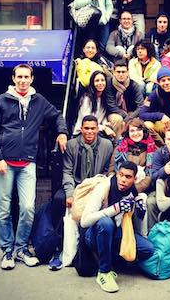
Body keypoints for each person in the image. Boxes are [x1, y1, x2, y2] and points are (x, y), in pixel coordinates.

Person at [0, 63, 68, 270]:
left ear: (32, 79)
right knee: (4, 210)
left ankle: (21, 249)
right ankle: (7, 251)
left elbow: (57, 115)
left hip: (27, 162)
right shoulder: (1, 100)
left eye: (26, 77)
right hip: (4, 162)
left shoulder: (38, 101)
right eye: (19, 77)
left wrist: (62, 132)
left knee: (28, 208)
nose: (22, 80)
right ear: (13, 78)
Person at [49, 115, 113, 271]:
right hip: (76, 185)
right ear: (81, 129)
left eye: (93, 128)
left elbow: (107, 171)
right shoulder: (72, 145)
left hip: (96, 186)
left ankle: (89, 253)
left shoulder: (107, 145)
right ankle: (57, 250)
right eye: (86, 128)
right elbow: (67, 172)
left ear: (98, 129)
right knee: (58, 199)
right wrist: (70, 193)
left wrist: (100, 189)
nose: (89, 132)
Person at [81, 161, 154, 293]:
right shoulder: (104, 187)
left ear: (135, 179)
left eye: (128, 177)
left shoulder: (134, 193)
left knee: (148, 249)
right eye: (121, 175)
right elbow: (84, 221)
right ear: (117, 174)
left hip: (118, 233)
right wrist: (115, 208)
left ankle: (114, 260)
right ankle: (104, 272)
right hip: (94, 235)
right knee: (106, 223)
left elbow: (134, 229)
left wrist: (140, 214)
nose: (123, 180)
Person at [109, 117, 156, 193]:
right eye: (132, 131)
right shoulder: (120, 147)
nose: (136, 133)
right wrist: (119, 185)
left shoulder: (151, 147)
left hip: (141, 189)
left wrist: (135, 190)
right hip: (119, 186)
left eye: (139, 130)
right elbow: (111, 171)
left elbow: (150, 175)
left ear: (143, 131)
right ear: (128, 133)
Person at [105, 60, 144, 139]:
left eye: (123, 72)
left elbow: (141, 106)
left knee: (137, 120)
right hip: (114, 113)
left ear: (127, 72)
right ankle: (118, 143)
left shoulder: (134, 85)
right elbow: (111, 105)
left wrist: (129, 118)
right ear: (113, 72)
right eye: (118, 72)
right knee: (117, 119)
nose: (121, 74)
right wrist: (125, 117)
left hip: (130, 113)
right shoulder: (109, 83)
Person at [73, 71, 115, 139]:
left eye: (102, 80)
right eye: (97, 81)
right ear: (92, 83)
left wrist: (106, 124)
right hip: (83, 132)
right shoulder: (86, 99)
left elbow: (102, 116)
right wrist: (104, 128)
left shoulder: (103, 98)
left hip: (97, 130)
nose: (100, 83)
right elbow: (87, 121)